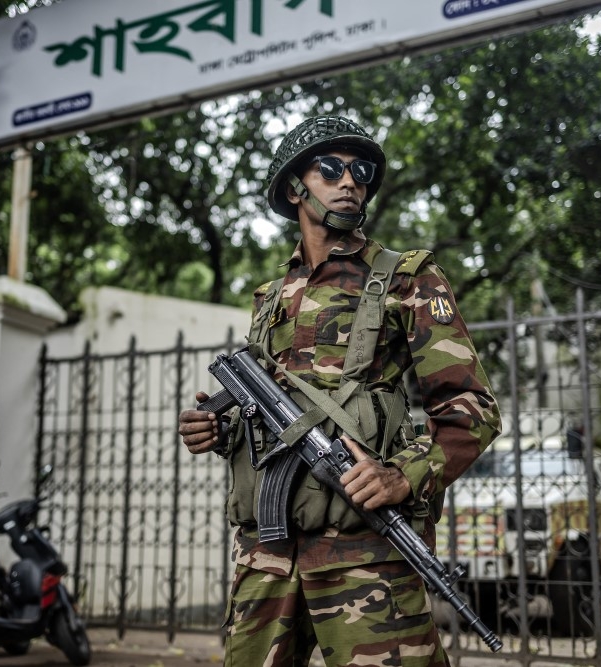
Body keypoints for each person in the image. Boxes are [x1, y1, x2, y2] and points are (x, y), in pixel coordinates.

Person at [178, 115, 501, 667]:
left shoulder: (407, 278)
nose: (350, 181)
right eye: (331, 168)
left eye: (362, 170)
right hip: (266, 556)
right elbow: (267, 413)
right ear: (294, 187)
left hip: (365, 552)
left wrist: (403, 476)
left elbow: (472, 410)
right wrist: (218, 426)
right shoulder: (271, 296)